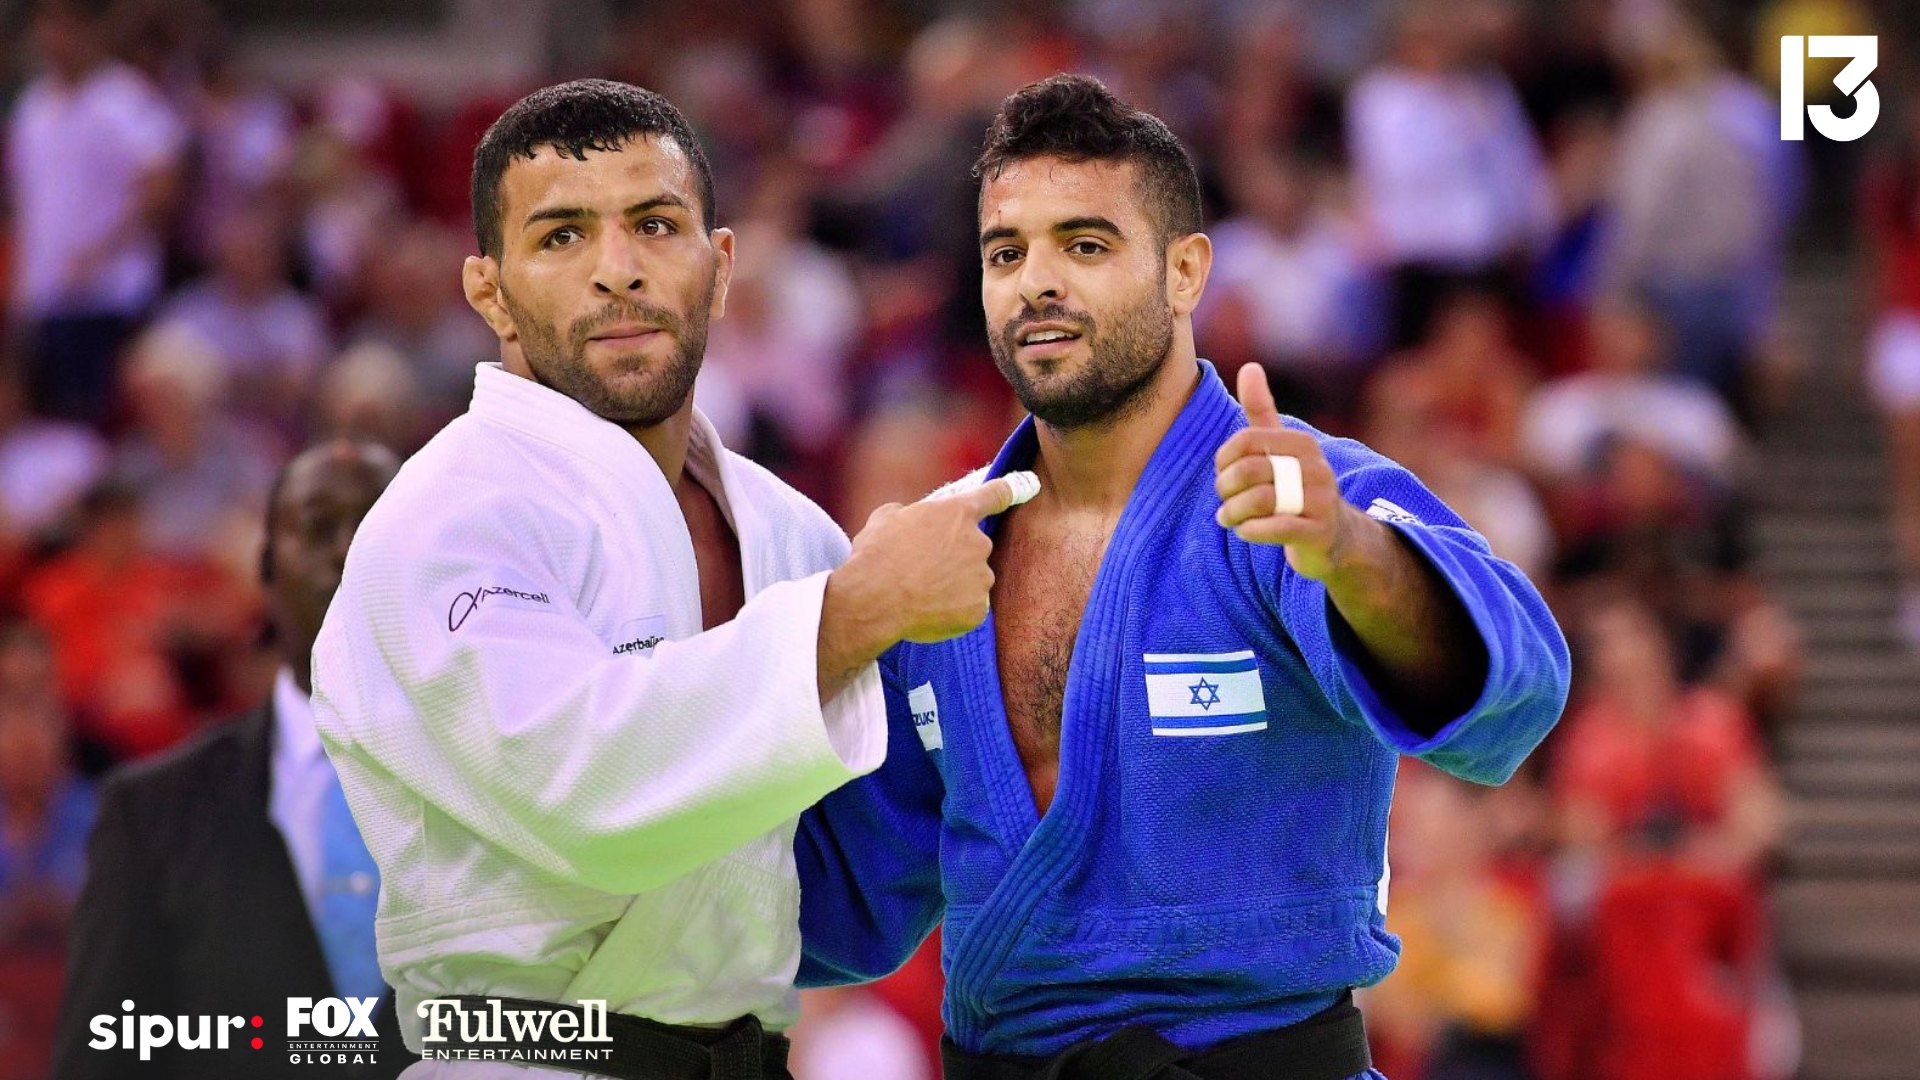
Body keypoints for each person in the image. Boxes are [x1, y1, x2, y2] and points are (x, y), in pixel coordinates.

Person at [796, 74, 1571, 1080]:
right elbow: (843, 895)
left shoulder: (1289, 496)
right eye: (1006, 252)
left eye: (1084, 245)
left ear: (1184, 272)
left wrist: (1347, 552)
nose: (1037, 281)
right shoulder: (943, 556)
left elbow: (1516, 696)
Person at [309, 79, 1019, 1080]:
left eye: (654, 225)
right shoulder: (447, 520)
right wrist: (862, 609)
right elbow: (591, 801)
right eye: (561, 237)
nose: (617, 271)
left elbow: (839, 892)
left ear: (719, 267)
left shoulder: (787, 529)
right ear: (488, 291)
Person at [51, 440, 417, 1080]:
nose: (346, 549)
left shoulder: (509, 785)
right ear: (267, 567)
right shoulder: (150, 814)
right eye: (317, 527)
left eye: (376, 524)